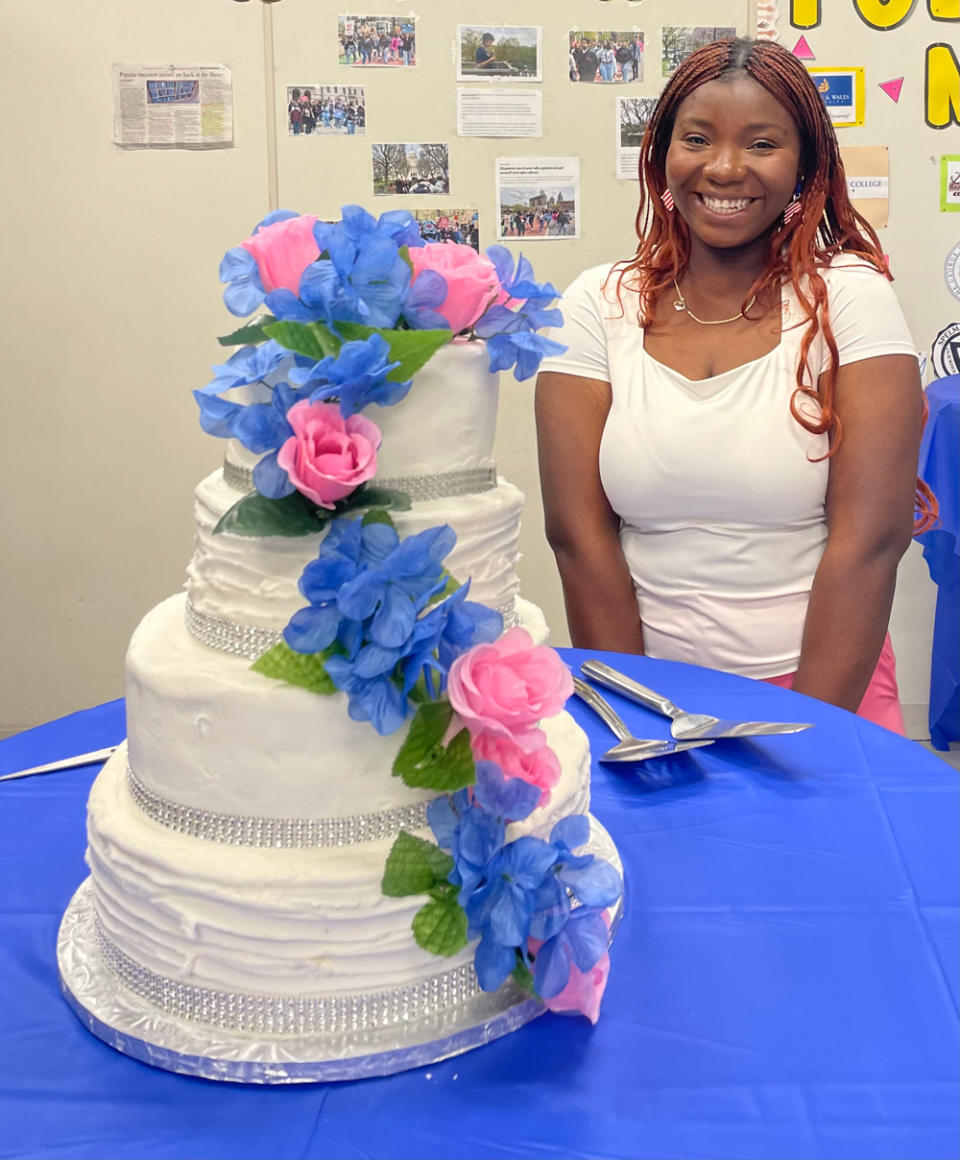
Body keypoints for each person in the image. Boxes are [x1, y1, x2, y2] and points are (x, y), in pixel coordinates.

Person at [534, 37, 936, 733]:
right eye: (697, 138)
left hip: (826, 691)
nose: (724, 168)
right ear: (661, 155)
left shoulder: (849, 300)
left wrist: (809, 738)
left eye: (761, 144)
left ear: (806, 167)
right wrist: (637, 717)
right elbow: (577, 537)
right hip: (648, 691)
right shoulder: (595, 304)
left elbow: (871, 541)